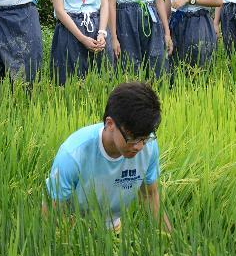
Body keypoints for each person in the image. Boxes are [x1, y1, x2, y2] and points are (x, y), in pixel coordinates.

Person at [45, 81, 172, 233]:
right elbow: (51, 212)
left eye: (145, 138)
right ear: (110, 124)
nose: (139, 146)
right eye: (133, 138)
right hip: (74, 230)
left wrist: (171, 241)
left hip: (113, 228)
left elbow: (150, 197)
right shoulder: (73, 154)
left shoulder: (149, 148)